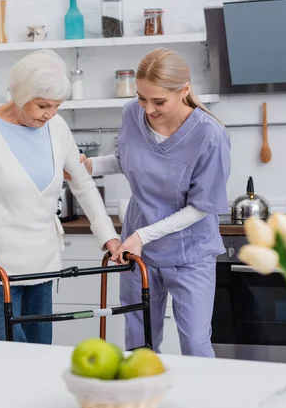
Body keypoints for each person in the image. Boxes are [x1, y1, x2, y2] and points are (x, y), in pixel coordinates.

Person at [0, 50, 120, 346]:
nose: (51, 114)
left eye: (57, 106)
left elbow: (82, 183)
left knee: (39, 361)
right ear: (21, 95)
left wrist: (108, 237)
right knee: (6, 367)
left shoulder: (56, 128)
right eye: (43, 105)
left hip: (44, 268)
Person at [82, 48, 231, 356]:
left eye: (159, 101)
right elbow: (126, 160)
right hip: (139, 253)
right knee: (139, 344)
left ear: (185, 90)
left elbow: (201, 207)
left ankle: (201, 403)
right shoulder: (132, 113)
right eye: (141, 98)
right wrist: (90, 166)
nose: (148, 109)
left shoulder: (210, 135)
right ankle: (140, 403)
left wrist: (141, 236)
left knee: (194, 344)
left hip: (189, 254)